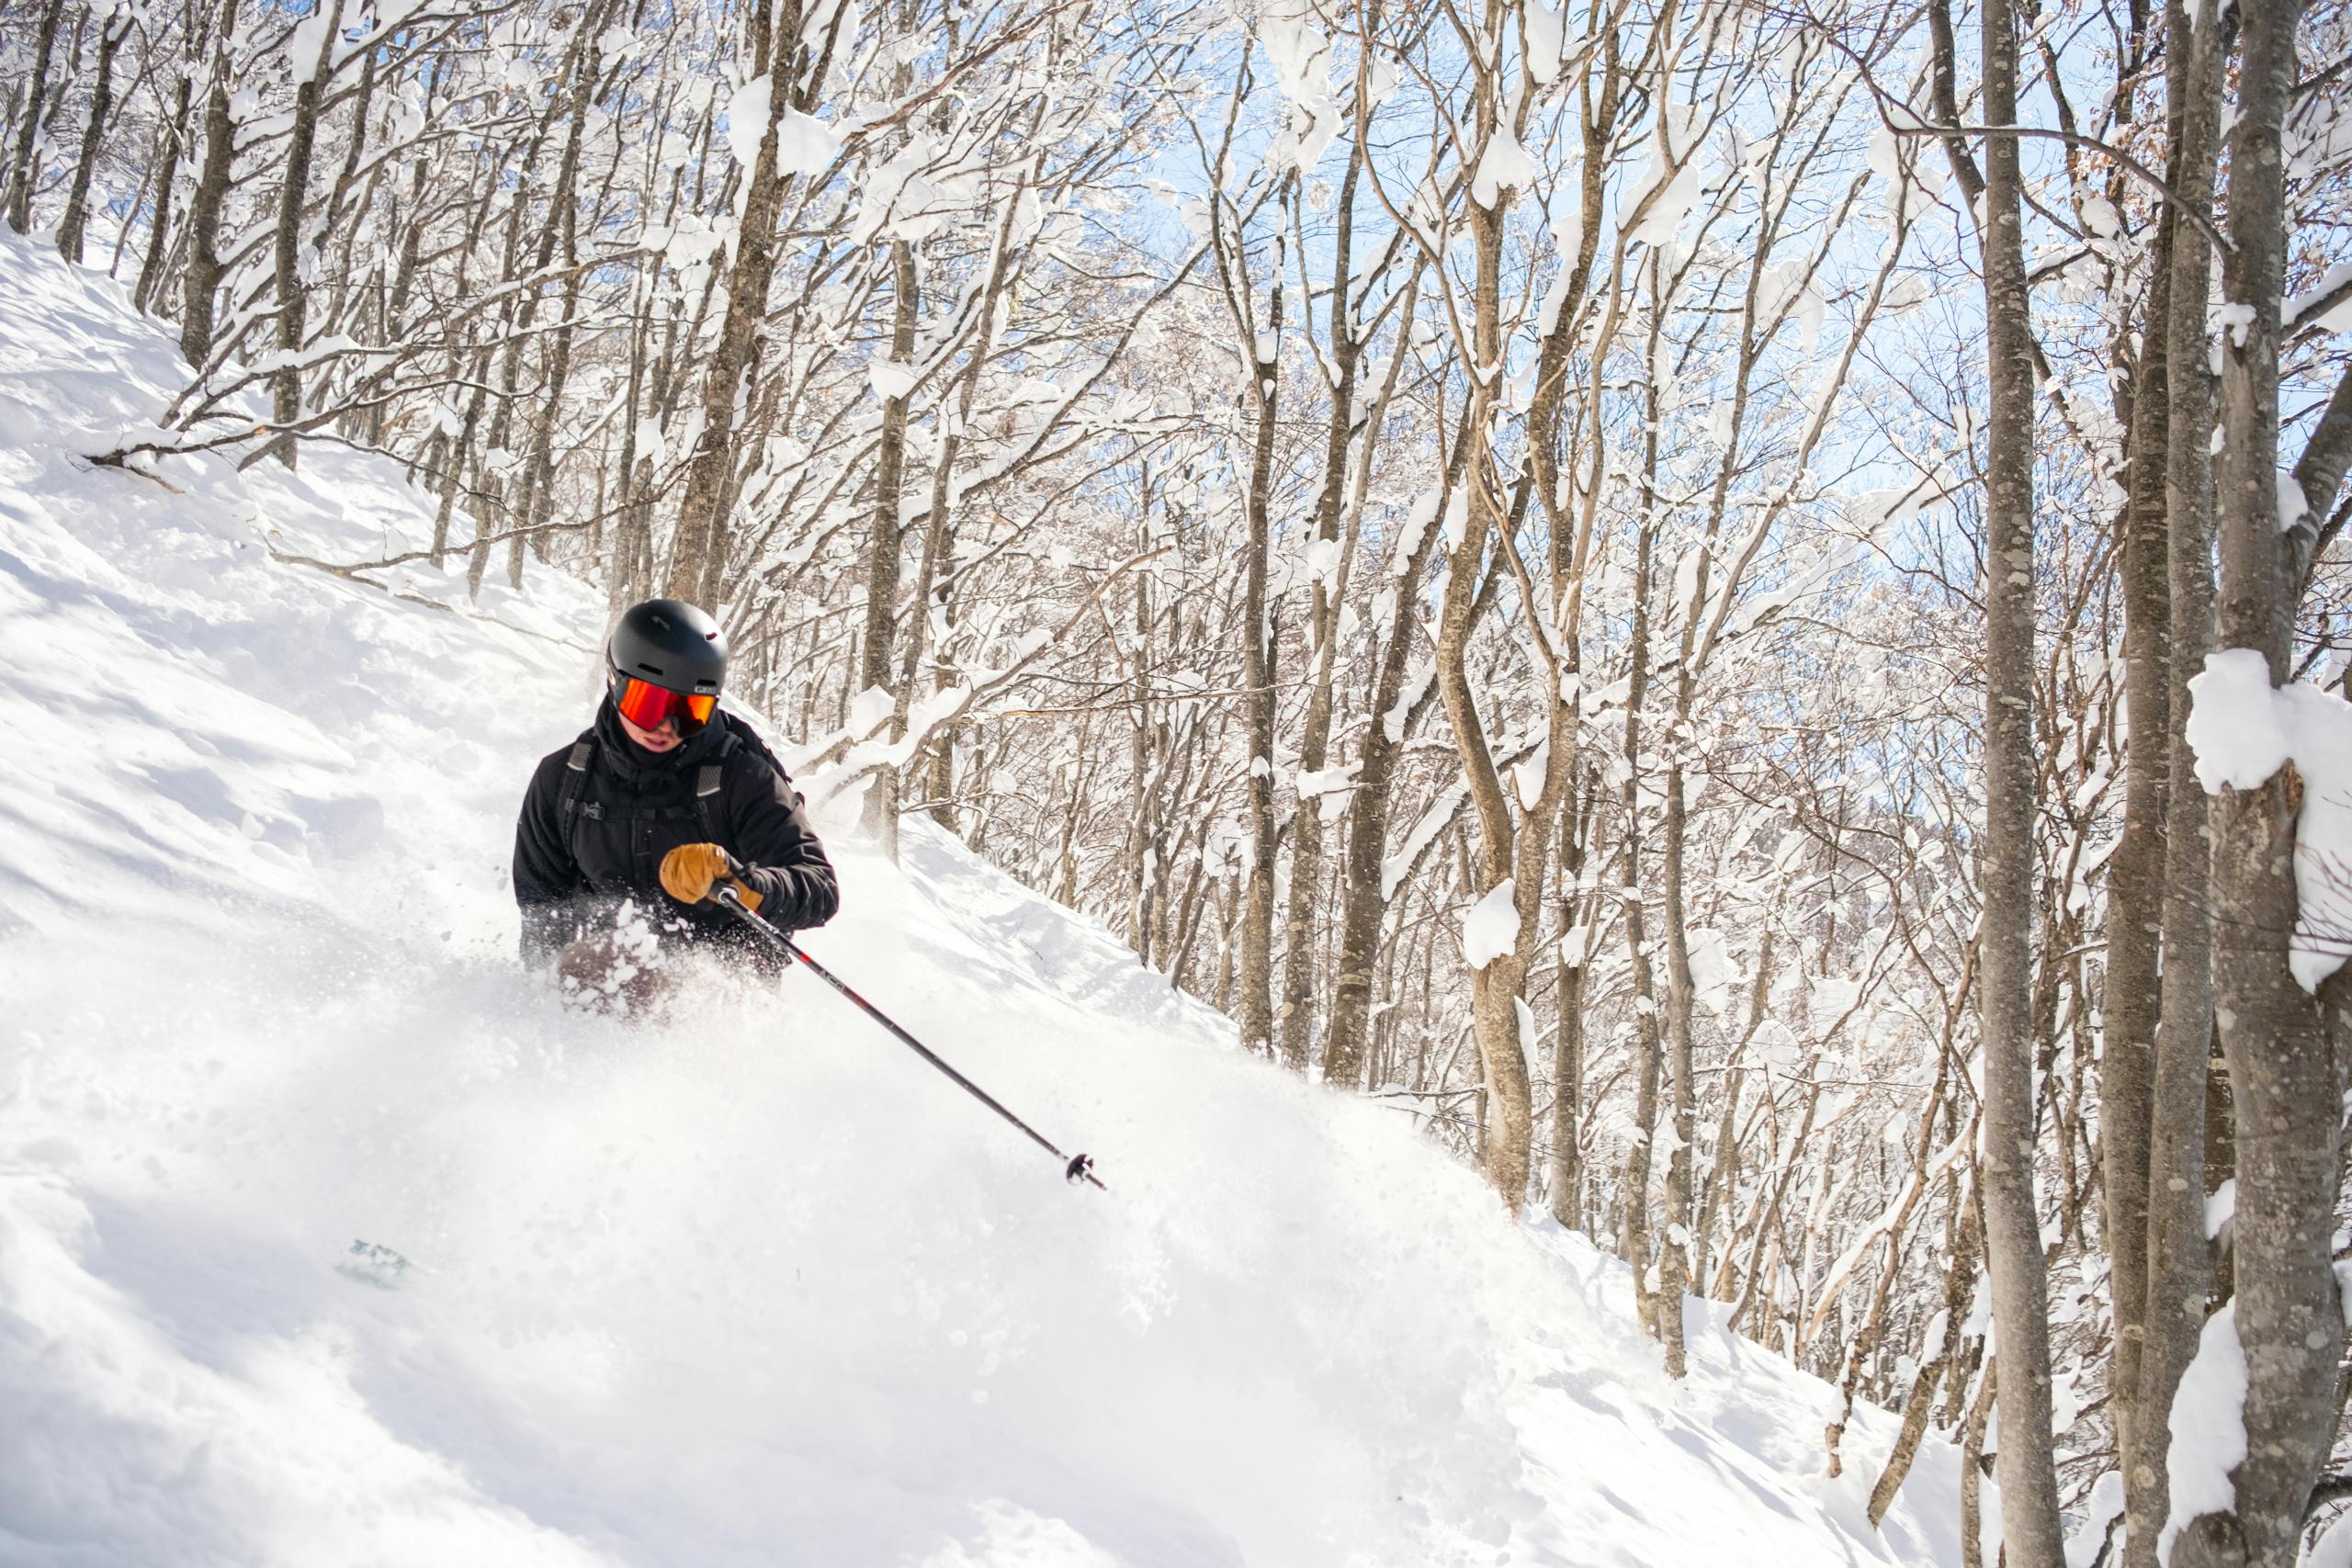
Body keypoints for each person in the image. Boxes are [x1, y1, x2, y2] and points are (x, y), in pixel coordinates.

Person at [513, 598, 838, 1003]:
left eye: (690, 711)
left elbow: (819, 888)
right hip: (610, 967)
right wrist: (538, 1003)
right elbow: (543, 911)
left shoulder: (743, 777)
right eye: (648, 705)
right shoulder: (564, 779)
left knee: (682, 989)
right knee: (587, 965)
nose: (666, 727)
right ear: (615, 682)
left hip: (723, 976)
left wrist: (745, 885)